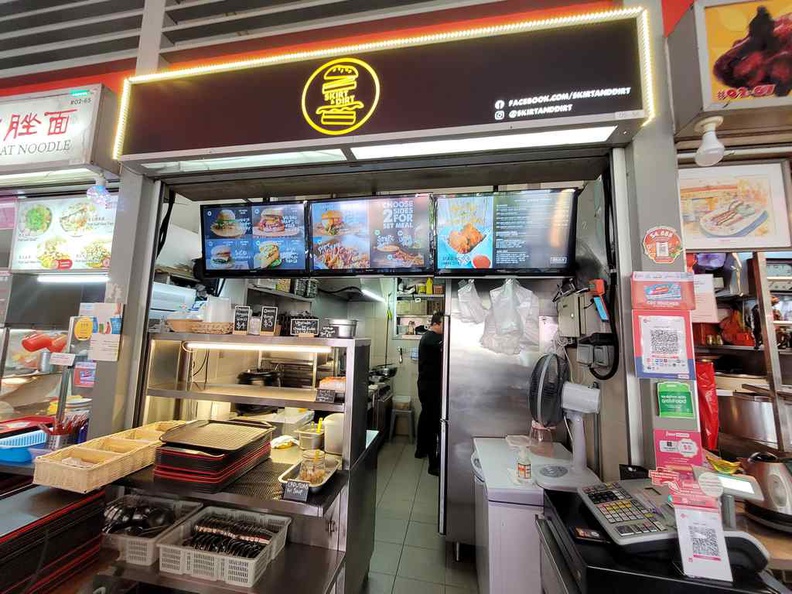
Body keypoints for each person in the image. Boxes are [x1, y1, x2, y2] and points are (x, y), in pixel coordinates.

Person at [416, 311, 444, 476]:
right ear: (437, 323)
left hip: (427, 386)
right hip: (430, 387)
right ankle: (433, 464)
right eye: (444, 325)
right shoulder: (430, 338)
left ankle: (421, 450)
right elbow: (444, 344)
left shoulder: (430, 337)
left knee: (426, 418)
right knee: (434, 423)